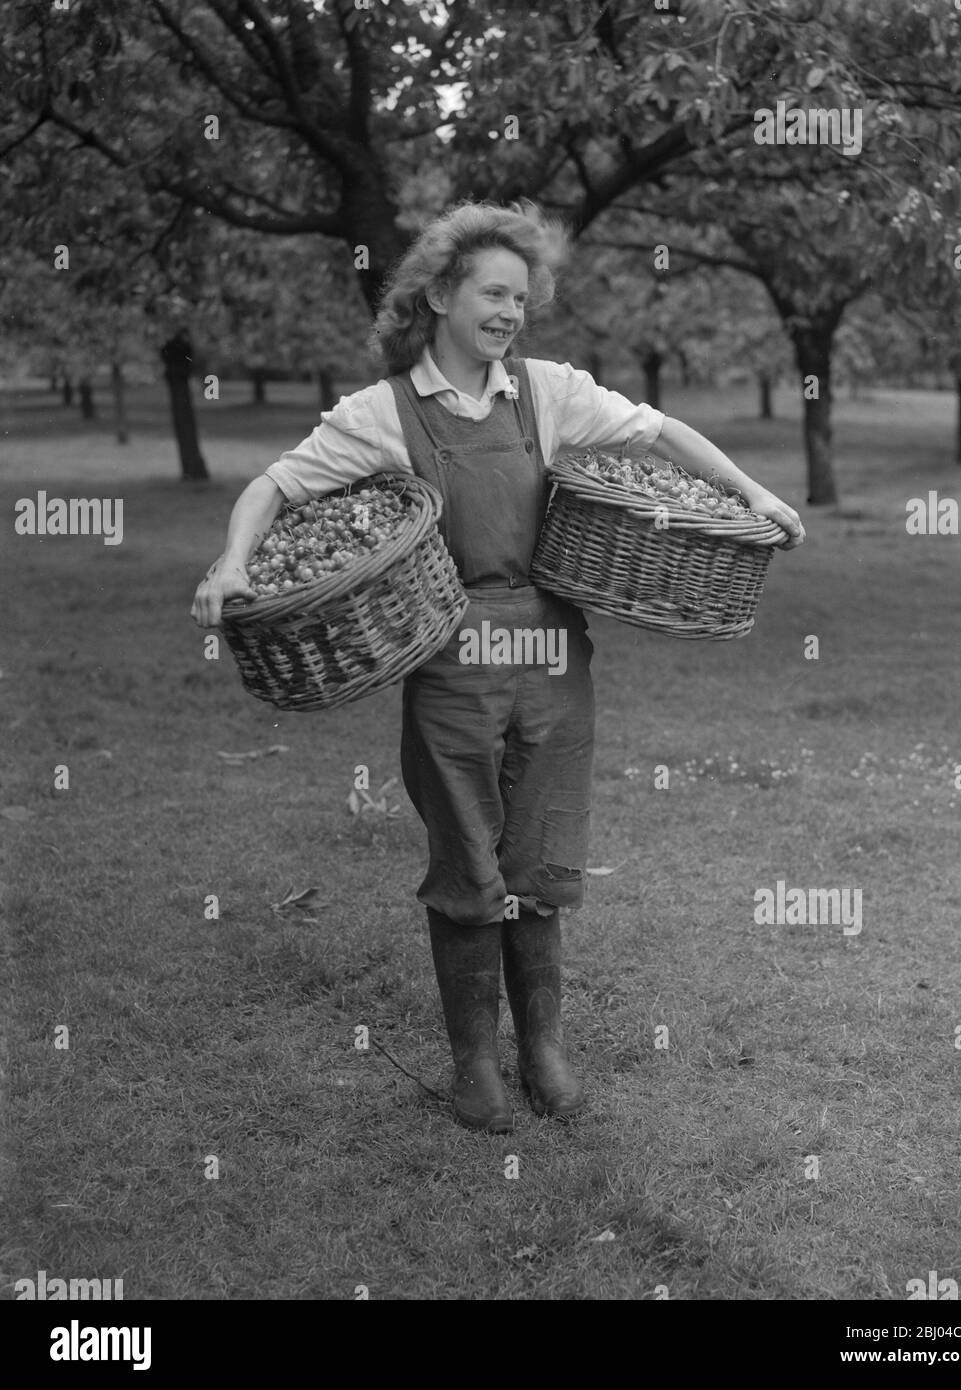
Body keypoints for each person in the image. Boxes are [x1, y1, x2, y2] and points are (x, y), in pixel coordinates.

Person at [191, 200, 805, 1135]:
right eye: (492, 292)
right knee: (467, 855)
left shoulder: (545, 391)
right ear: (439, 294)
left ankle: (543, 1051)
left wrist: (753, 492)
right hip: (451, 660)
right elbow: (273, 484)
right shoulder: (382, 413)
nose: (510, 311)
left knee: (543, 851)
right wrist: (234, 566)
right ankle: (474, 1064)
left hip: (552, 654)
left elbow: (656, 432)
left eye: (521, 297)